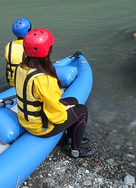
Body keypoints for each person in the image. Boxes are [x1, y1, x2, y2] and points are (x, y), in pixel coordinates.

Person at [14, 28, 95, 158]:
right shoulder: (45, 79)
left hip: (24, 119)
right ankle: (75, 151)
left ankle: (71, 136)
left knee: (73, 100)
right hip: (40, 128)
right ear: (48, 50)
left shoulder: (20, 68)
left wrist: (66, 107)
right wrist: (64, 110)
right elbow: (57, 116)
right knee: (82, 110)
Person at [4, 18, 31, 86]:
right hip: (25, 81)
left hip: (12, 81)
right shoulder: (29, 46)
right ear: (28, 31)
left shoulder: (8, 45)